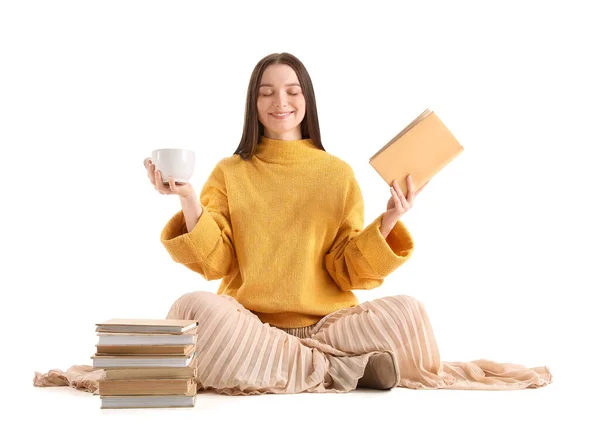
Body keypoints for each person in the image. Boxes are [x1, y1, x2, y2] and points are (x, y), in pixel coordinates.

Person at [33, 52, 552, 395]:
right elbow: (214, 263)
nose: (280, 102)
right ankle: (341, 372)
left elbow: (350, 272)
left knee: (409, 313)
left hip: (333, 327)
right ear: (253, 105)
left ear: (307, 99)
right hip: (251, 328)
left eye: (291, 90)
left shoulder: (336, 173)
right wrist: (188, 197)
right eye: (266, 92)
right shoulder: (229, 172)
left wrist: (391, 215)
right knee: (194, 310)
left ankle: (304, 366)